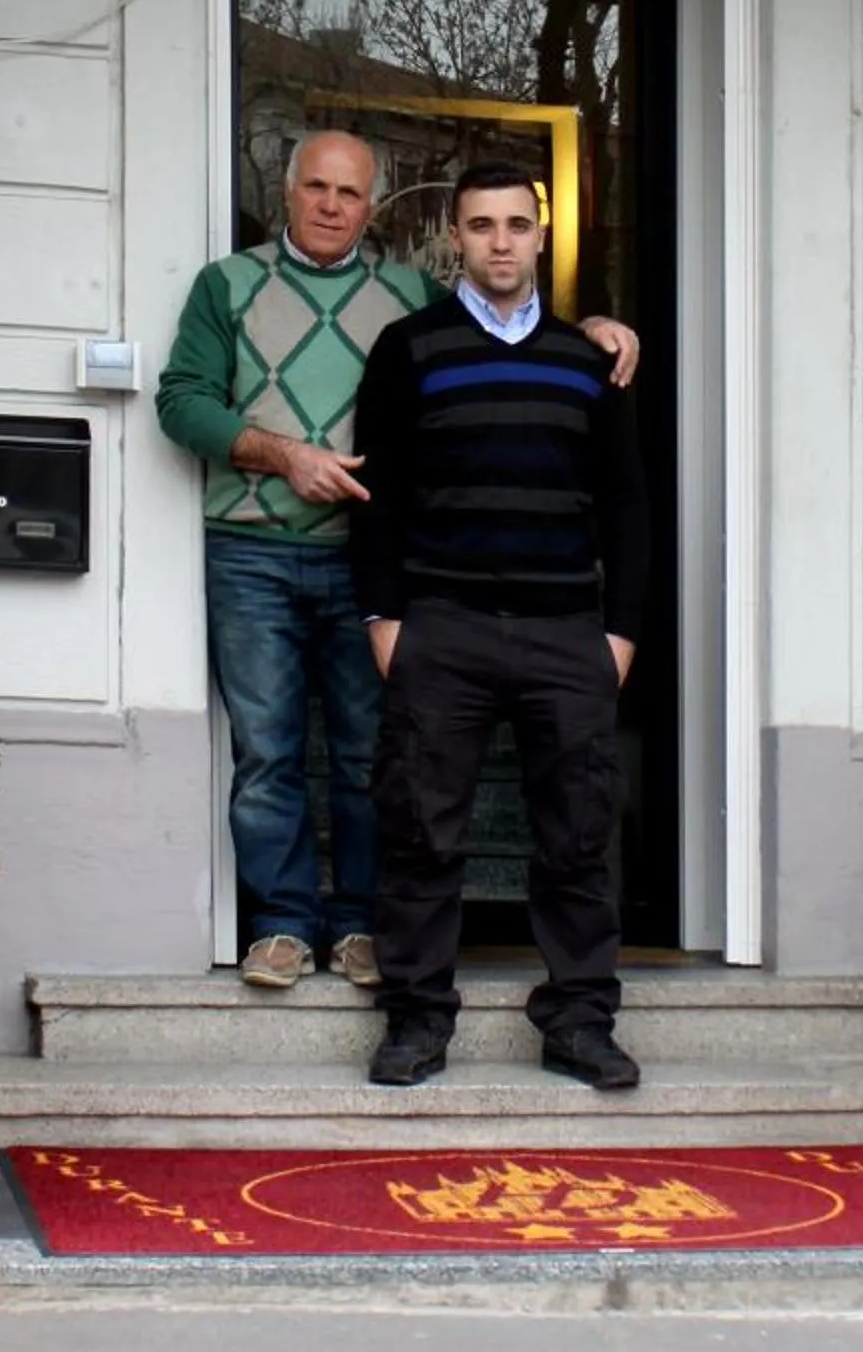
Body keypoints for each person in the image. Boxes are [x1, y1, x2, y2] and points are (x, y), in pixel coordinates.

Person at [156, 130, 636, 992]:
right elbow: (182, 401)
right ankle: (282, 926)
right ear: (286, 191)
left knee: (370, 754)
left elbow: (499, 322)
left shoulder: (407, 293)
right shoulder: (226, 286)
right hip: (255, 549)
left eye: (349, 193)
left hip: (374, 562)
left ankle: (359, 927)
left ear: (373, 206)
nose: (332, 206)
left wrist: (592, 328)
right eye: (316, 188)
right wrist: (279, 453)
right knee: (268, 751)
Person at [349, 161, 649, 1091]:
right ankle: (415, 1019)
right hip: (444, 624)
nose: (502, 242)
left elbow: (629, 505)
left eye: (518, 224)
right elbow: (378, 497)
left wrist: (622, 631)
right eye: (482, 226)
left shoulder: (586, 359)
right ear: (457, 236)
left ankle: (580, 1019)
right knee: (422, 829)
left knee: (577, 831)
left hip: (567, 628)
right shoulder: (408, 348)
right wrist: (384, 617)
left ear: (541, 233)